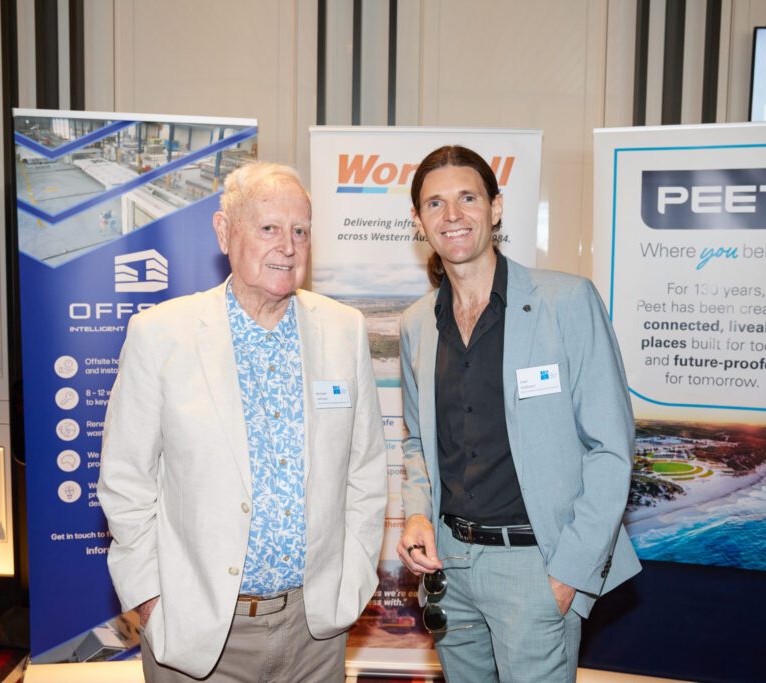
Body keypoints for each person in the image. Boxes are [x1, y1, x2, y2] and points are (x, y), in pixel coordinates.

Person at [99, 161, 387, 681]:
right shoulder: (160, 335)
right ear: (224, 231)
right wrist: (149, 597)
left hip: (316, 631)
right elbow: (125, 480)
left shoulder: (344, 331)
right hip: (197, 631)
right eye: (269, 228)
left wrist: (355, 579)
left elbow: (364, 470)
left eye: (300, 231)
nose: (288, 246)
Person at [396, 145, 640, 682]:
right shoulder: (417, 324)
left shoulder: (566, 301)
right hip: (449, 565)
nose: (452, 215)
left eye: (467, 198)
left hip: (534, 565)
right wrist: (416, 514)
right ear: (418, 219)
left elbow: (611, 449)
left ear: (496, 207)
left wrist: (568, 574)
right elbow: (417, 442)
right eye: (435, 204)